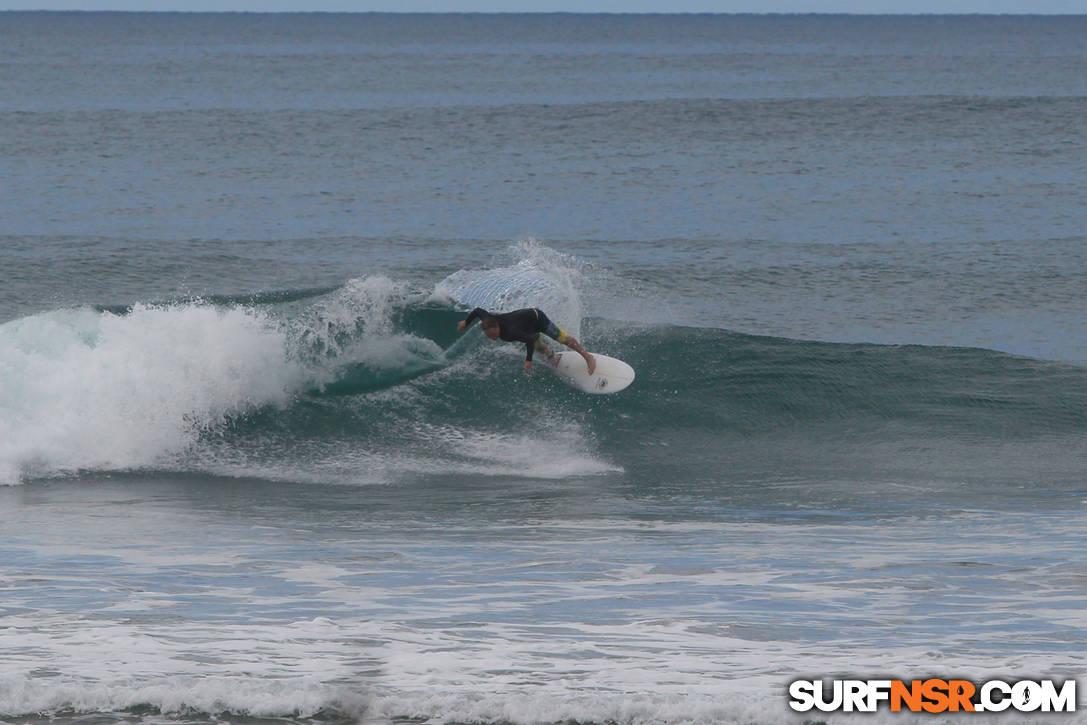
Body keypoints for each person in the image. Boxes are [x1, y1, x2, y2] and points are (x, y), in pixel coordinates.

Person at [457, 307, 596, 375]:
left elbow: (528, 340)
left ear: (496, 327)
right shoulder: (488, 320)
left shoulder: (510, 331)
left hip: (537, 319)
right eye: (488, 336)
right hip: (526, 326)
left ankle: (588, 357)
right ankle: (552, 357)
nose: (492, 338)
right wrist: (466, 322)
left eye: (492, 334)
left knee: (562, 339)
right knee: (538, 345)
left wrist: (528, 360)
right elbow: (477, 311)